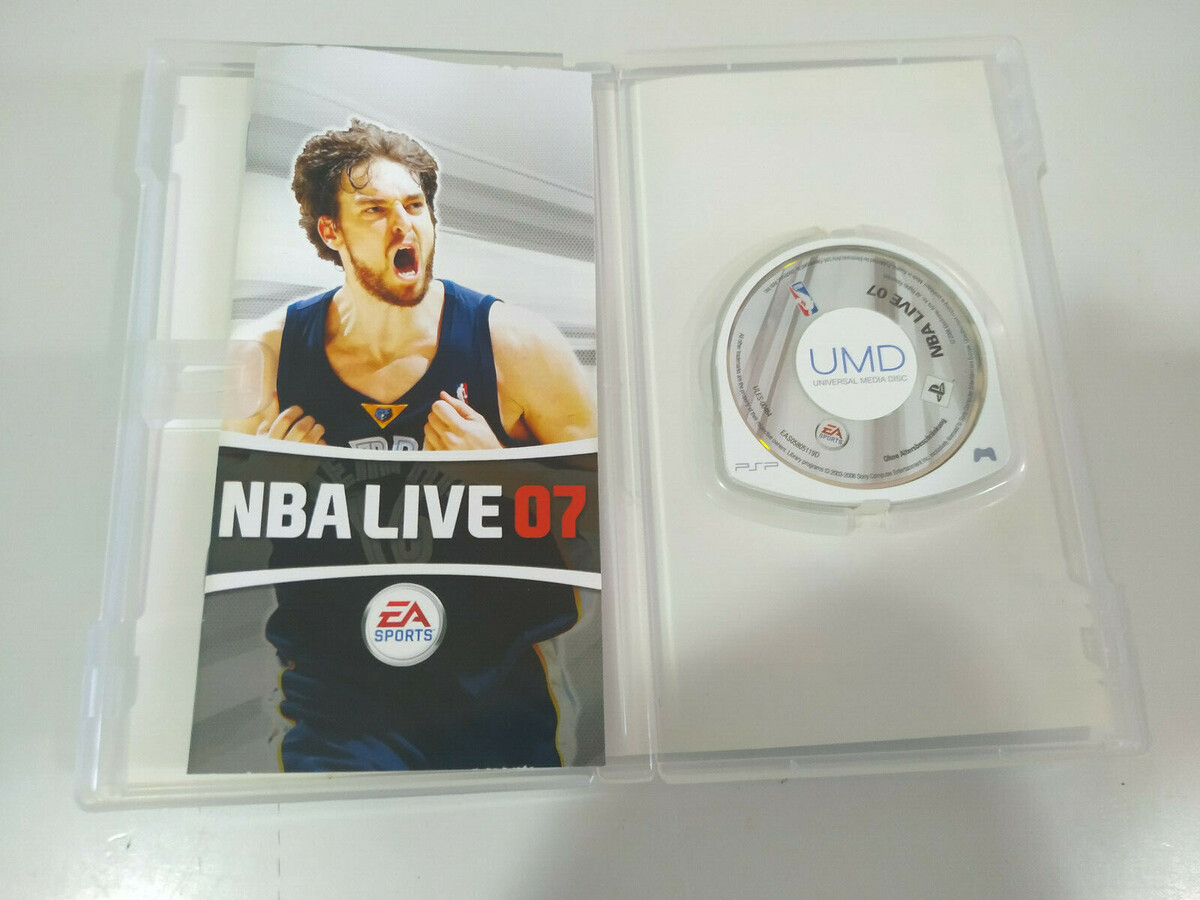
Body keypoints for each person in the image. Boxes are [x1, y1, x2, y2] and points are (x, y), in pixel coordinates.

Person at [224, 120, 598, 772]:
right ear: (330, 231)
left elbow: (615, 517)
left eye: (415, 205)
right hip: (336, 709)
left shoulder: (515, 346)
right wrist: (265, 486)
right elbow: (197, 544)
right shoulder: (265, 360)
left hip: (497, 701)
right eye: (375, 210)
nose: (404, 225)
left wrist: (502, 478)